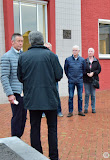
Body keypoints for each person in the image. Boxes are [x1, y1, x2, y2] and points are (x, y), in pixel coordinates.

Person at [17, 31, 63, 160]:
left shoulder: (23, 57)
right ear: (42, 41)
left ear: (31, 41)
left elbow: (20, 78)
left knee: (34, 128)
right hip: (50, 98)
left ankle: (37, 156)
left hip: (32, 99)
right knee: (52, 129)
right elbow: (59, 75)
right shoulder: (51, 56)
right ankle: (54, 157)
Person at [1, 33, 27, 138]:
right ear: (12, 42)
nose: (21, 43)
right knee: (17, 117)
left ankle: (18, 138)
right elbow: (4, 77)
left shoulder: (24, 55)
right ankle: (15, 139)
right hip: (15, 93)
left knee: (23, 117)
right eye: (18, 41)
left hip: (24, 92)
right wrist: (9, 94)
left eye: (22, 41)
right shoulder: (6, 57)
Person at [64, 45, 86, 117]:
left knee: (80, 97)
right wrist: (69, 77)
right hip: (71, 81)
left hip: (79, 81)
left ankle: (80, 111)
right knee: (70, 96)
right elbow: (66, 70)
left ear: (78, 51)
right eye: (73, 50)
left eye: (76, 50)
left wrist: (80, 76)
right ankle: (70, 111)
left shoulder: (82, 60)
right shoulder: (68, 59)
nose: (74, 51)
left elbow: (84, 70)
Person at [44, 42, 63, 117]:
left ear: (51, 49)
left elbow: (57, 68)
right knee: (44, 96)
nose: (47, 49)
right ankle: (43, 112)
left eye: (48, 48)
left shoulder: (54, 56)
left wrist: (56, 78)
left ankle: (58, 111)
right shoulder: (42, 57)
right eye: (46, 47)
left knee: (56, 96)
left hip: (53, 80)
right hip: (44, 80)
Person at [83, 48, 101, 113]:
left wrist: (93, 73)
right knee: (87, 94)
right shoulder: (84, 61)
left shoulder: (96, 61)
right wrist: (87, 73)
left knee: (93, 94)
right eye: (89, 51)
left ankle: (93, 108)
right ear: (87, 52)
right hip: (86, 80)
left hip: (94, 80)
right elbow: (82, 70)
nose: (90, 52)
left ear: (93, 53)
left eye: (91, 51)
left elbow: (99, 70)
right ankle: (86, 108)